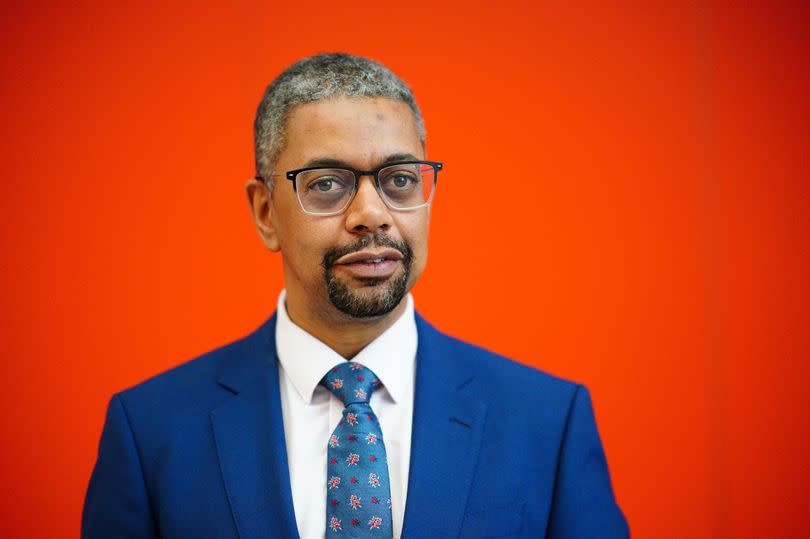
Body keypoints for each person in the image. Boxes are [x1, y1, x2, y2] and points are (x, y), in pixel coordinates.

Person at [82, 53, 629, 538]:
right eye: (326, 183)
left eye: (399, 179)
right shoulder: (152, 431)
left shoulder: (546, 421)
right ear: (265, 212)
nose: (372, 214)